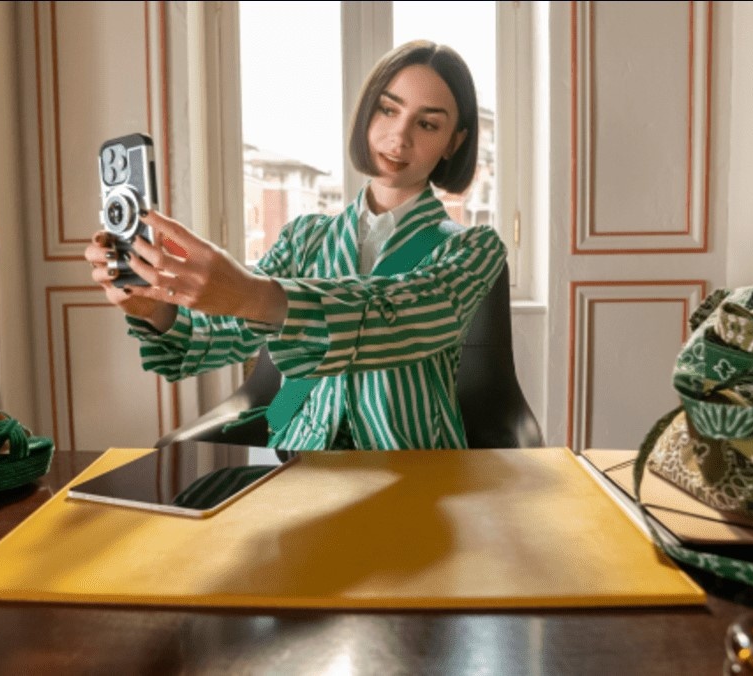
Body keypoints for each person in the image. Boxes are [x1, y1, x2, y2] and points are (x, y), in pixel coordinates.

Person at [84, 40, 507, 451]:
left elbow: (398, 318)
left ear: (454, 142)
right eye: (388, 109)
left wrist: (253, 294)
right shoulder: (304, 239)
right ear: (367, 112)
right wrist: (154, 309)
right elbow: (225, 335)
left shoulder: (472, 248)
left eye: (427, 124)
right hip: (302, 458)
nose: (399, 137)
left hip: (415, 465)